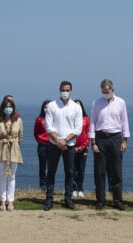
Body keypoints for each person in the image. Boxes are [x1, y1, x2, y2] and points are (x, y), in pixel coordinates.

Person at [89, 79, 130, 211]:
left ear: (112, 89)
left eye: (107, 91)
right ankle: (100, 200)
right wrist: (93, 142)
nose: (105, 93)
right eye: (103, 91)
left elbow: (125, 122)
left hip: (116, 137)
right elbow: (92, 123)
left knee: (116, 170)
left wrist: (125, 141)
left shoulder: (121, 102)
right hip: (100, 137)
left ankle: (117, 200)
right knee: (100, 171)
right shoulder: (96, 103)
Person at [43, 81, 83, 211]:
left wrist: (64, 140)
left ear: (71, 91)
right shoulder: (52, 106)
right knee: (51, 171)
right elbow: (49, 127)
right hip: (54, 144)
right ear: (59, 90)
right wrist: (58, 140)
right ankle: (49, 199)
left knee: (70, 172)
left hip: (69, 145)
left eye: (67, 90)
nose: (65, 92)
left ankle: (68, 199)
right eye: (63, 90)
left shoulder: (76, 107)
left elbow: (78, 129)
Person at [0, 98, 23, 211]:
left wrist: (14, 144)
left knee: (12, 176)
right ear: (2, 108)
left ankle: (10, 201)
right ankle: (2, 200)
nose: (8, 109)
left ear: (13, 108)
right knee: (2, 176)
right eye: (6, 107)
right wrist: (0, 145)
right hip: (1, 149)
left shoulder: (18, 120)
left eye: (10, 107)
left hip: (14, 149)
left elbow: (20, 136)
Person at [72, 99, 90, 198]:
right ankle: (74, 188)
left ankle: (80, 188)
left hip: (84, 148)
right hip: (72, 148)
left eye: (79, 105)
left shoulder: (86, 119)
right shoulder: (71, 118)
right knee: (73, 169)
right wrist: (73, 147)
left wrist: (83, 146)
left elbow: (89, 134)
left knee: (81, 169)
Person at [34, 100, 51, 191]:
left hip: (52, 145)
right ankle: (42, 185)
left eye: (48, 107)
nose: (47, 109)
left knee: (51, 166)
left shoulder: (55, 119)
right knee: (42, 167)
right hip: (42, 146)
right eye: (45, 107)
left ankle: (50, 184)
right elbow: (36, 133)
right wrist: (40, 140)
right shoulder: (39, 119)